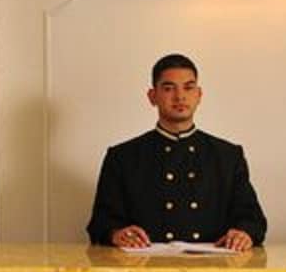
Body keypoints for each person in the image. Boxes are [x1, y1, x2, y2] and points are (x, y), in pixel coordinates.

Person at [86, 54, 267, 251]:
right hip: (144, 265)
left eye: (188, 88)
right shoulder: (122, 157)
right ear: (152, 96)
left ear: (199, 95)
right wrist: (116, 234)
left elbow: (253, 219)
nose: (180, 96)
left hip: (213, 265)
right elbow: (100, 223)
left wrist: (244, 233)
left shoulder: (228, 156)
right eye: (168, 88)